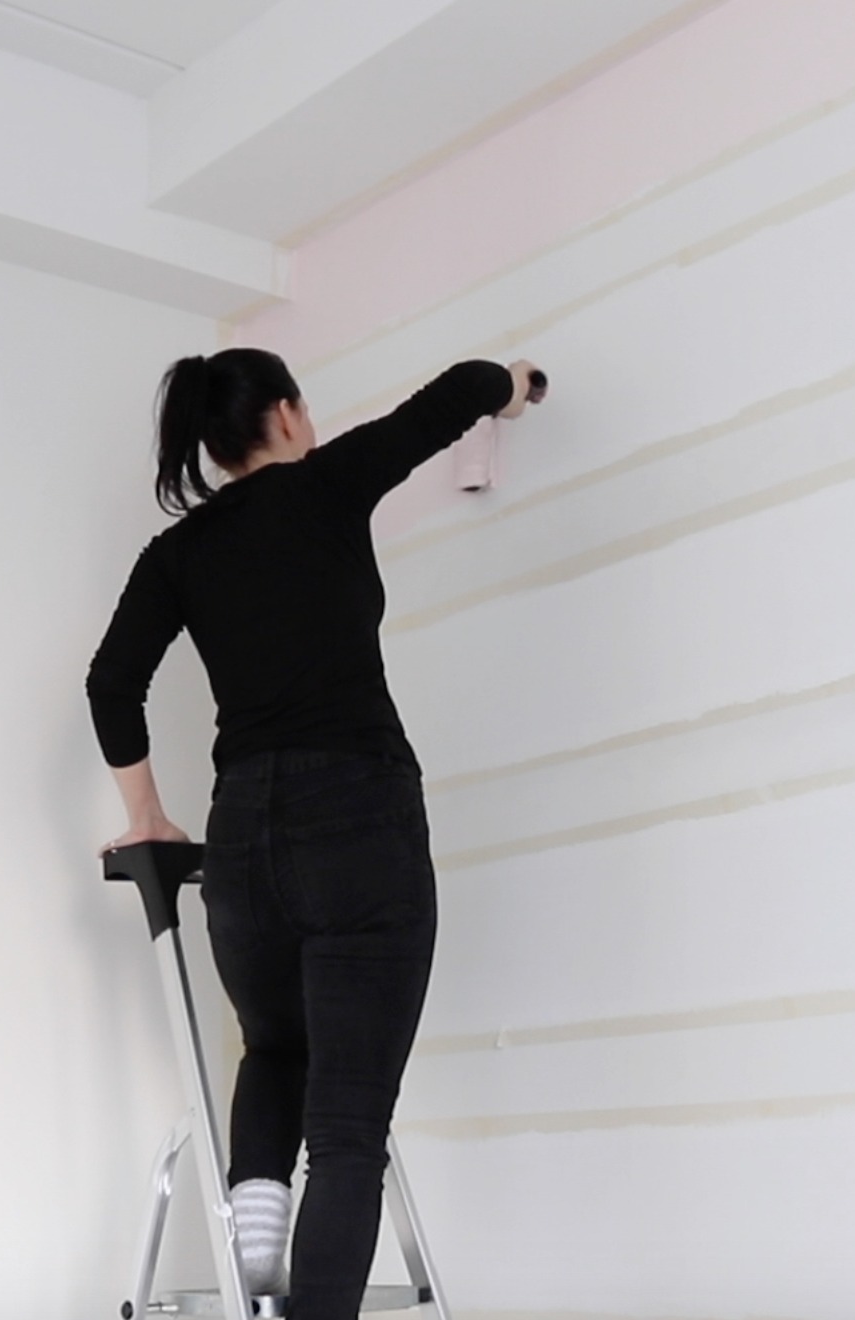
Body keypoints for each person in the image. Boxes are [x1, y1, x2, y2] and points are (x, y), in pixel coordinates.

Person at [86, 347, 540, 1318]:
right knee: (345, 1134)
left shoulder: (178, 553)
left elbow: (111, 684)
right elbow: (462, 387)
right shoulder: (329, 482)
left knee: (274, 1048)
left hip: (242, 836)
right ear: (289, 414)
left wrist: (146, 818)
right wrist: (520, 385)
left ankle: (256, 1224)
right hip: (356, 815)